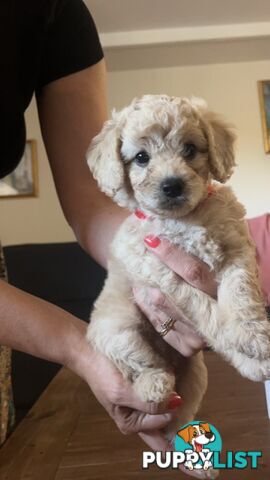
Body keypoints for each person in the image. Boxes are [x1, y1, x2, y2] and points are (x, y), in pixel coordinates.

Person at [0, 0, 269, 455]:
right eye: (142, 156)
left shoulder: (55, 13)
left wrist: (160, 267)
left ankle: (182, 442)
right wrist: (82, 349)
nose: (169, 173)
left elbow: (91, 205)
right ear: (121, 164)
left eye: (189, 149)